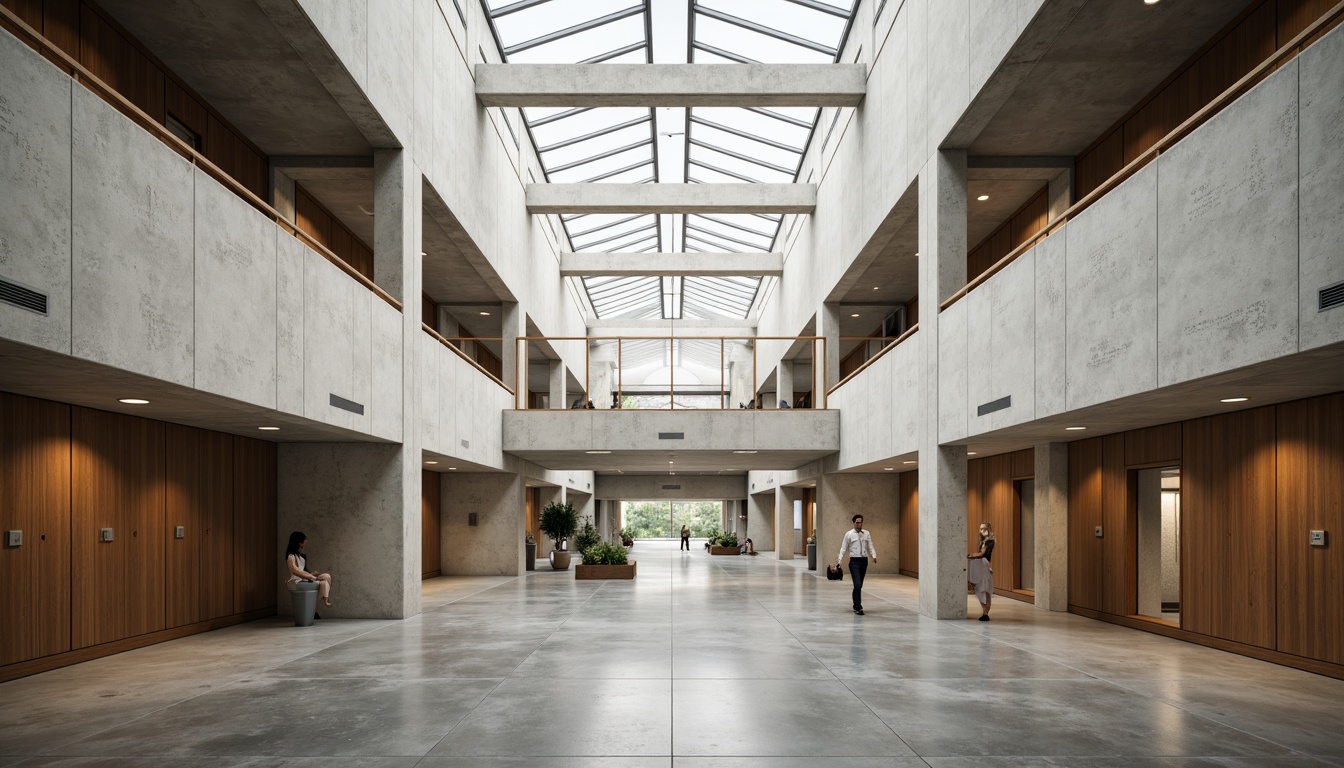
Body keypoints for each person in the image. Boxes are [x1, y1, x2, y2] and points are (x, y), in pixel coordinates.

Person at [837, 514, 877, 615]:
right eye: (857, 522)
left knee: (859, 585)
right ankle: (858, 607)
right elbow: (843, 548)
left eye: (860, 522)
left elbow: (870, 545)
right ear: (854, 523)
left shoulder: (866, 533)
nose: (859, 524)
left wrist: (874, 555)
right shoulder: (849, 534)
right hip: (854, 562)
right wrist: (839, 560)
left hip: (864, 561)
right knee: (857, 584)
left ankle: (856, 605)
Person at [286, 531, 333, 611]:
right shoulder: (291, 556)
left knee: (326, 576)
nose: (305, 544)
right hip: (296, 581)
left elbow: (303, 570)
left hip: (304, 579)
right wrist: (311, 577)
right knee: (323, 581)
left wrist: (313, 574)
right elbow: (295, 570)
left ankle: (325, 600)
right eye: (304, 542)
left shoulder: (302, 556)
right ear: (299, 543)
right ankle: (321, 600)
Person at [968, 522, 996, 621]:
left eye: (984, 528)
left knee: (985, 589)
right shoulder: (983, 541)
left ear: (988, 529)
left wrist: (971, 555)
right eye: (980, 528)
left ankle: (985, 612)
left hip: (984, 566)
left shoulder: (990, 541)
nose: (982, 530)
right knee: (979, 589)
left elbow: (982, 554)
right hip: (980, 566)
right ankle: (984, 611)